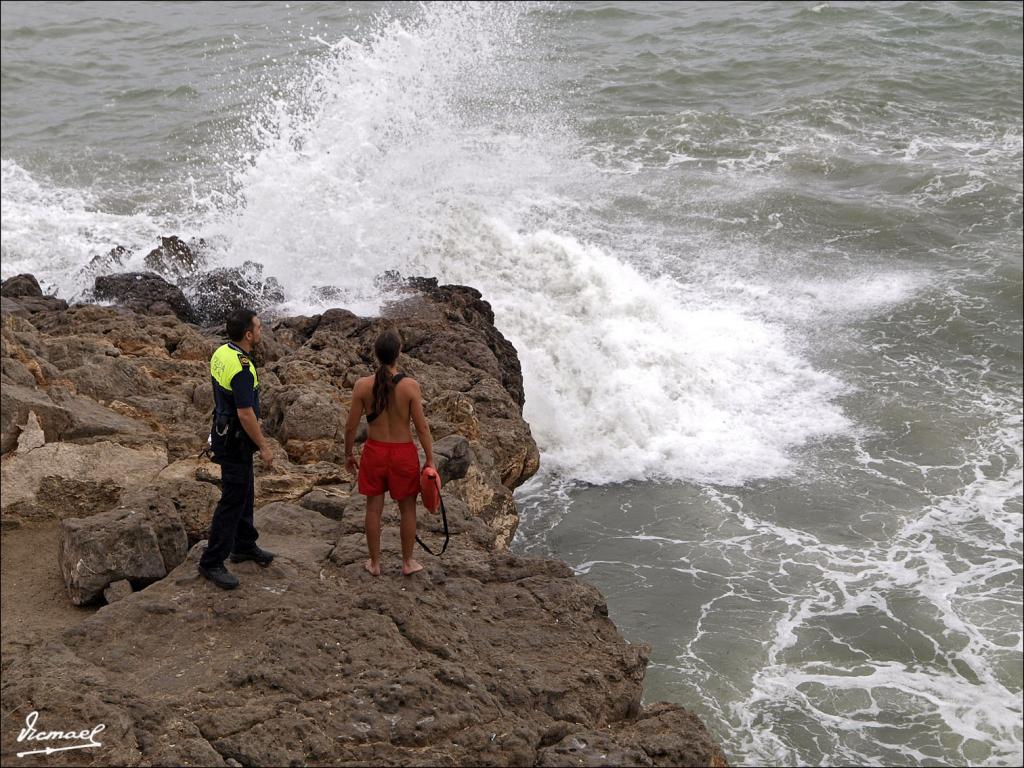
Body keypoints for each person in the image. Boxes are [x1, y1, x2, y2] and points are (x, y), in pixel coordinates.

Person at [344, 329, 435, 576]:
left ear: (376, 355)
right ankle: (407, 562)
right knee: (407, 509)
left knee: (373, 509)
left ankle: (374, 563)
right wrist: (430, 459)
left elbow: (351, 426)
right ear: (399, 353)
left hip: (374, 452)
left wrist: (348, 454)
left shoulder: (362, 386)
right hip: (403, 454)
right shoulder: (410, 386)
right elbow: (422, 427)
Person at [198, 308, 276, 590]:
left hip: (222, 432)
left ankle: (244, 545)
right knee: (232, 500)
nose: (261, 330)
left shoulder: (222, 353)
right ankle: (212, 561)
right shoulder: (243, 369)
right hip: (235, 441)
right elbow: (245, 414)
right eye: (258, 327)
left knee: (245, 491)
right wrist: (265, 446)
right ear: (248, 334)